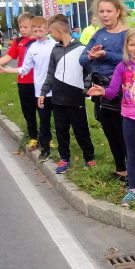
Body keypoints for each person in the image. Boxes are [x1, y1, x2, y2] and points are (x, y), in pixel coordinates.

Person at [87, 27, 135, 207]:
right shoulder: (122, 66)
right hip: (129, 118)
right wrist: (103, 91)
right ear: (126, 46)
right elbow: (113, 90)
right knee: (132, 154)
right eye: (132, 45)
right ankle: (133, 190)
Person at [80, 0, 129, 181]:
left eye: (109, 11)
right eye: (101, 11)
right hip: (99, 87)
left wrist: (105, 54)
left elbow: (130, 59)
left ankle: (131, 171)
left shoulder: (127, 34)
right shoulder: (98, 34)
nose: (105, 15)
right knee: (108, 129)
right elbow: (82, 59)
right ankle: (120, 170)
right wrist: (91, 55)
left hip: (120, 88)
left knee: (123, 131)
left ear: (118, 11)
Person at [0, 15, 56, 162]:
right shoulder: (32, 48)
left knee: (59, 120)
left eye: (41, 30)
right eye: (36, 31)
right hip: (40, 90)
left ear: (47, 30)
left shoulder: (55, 45)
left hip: (56, 89)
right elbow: (24, 68)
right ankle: (45, 148)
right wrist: (5, 70)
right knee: (43, 119)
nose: (38, 34)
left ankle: (62, 150)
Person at [38, 15, 95, 173]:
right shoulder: (55, 50)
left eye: (51, 32)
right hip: (57, 98)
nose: (50, 35)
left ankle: (89, 158)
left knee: (81, 129)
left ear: (59, 31)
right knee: (61, 129)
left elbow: (89, 73)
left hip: (75, 97)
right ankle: (64, 158)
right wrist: (43, 92)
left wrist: (86, 89)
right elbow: (50, 73)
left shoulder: (81, 49)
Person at [0, 13, 39, 151]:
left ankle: (47, 138)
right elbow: (8, 57)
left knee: (43, 111)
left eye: (26, 27)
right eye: (20, 27)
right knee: (28, 111)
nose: (22, 30)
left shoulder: (41, 41)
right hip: (24, 81)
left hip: (40, 83)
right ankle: (33, 137)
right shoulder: (18, 41)